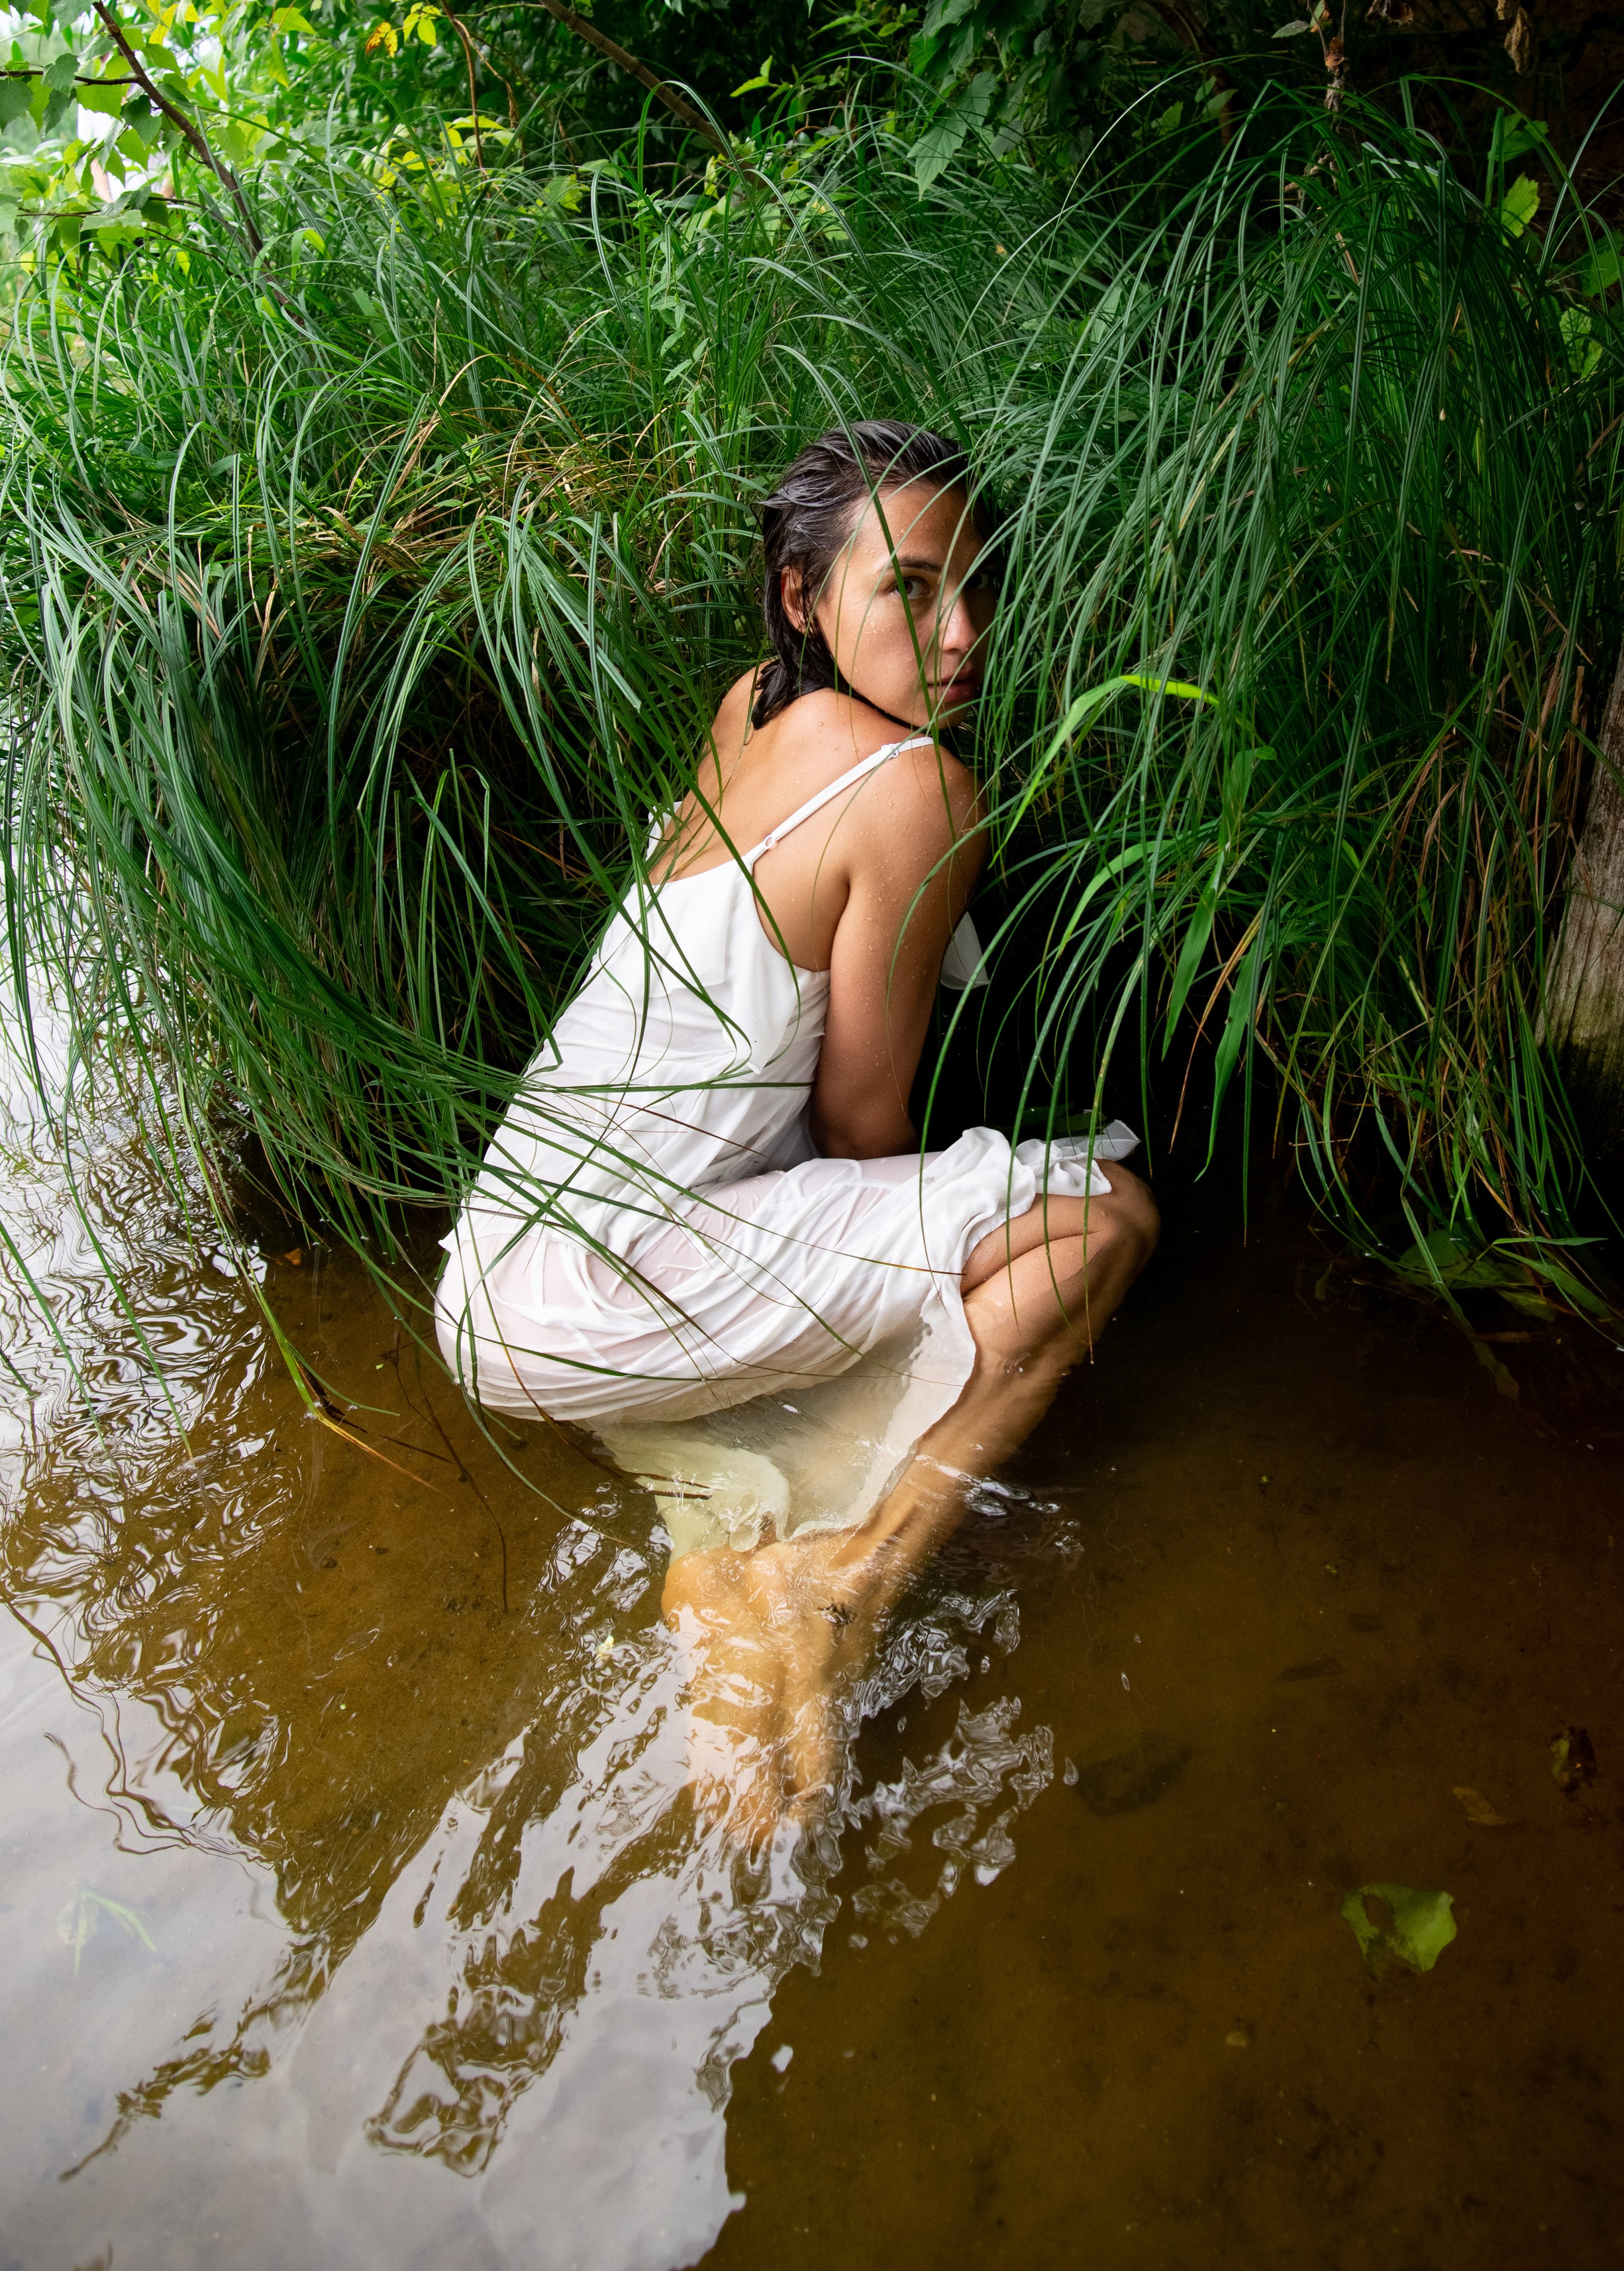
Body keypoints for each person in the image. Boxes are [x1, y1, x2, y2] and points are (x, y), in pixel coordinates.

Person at [436, 421, 1158, 1837]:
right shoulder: (919, 785)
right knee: (1099, 1227)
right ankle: (849, 1576)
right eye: (909, 590)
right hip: (605, 1294)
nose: (961, 635)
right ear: (799, 595)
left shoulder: (745, 709)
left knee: (903, 1259)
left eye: (978, 586)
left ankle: (723, 1550)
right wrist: (930, 1283)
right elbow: (858, 1117)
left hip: (496, 1267)